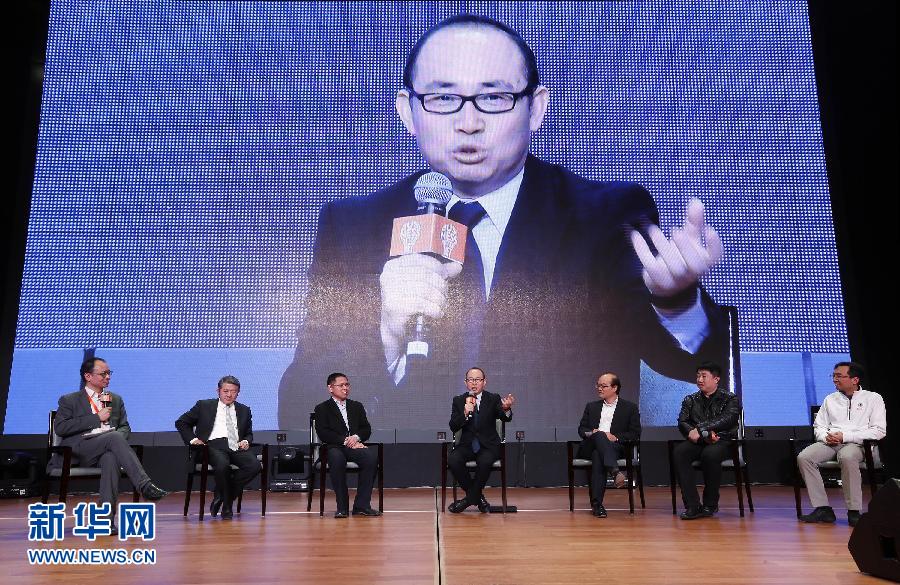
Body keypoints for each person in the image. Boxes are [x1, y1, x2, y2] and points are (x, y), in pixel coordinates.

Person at [278, 14, 728, 429]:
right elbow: (297, 407)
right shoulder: (353, 227)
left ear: (536, 108)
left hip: (550, 472)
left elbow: (696, 369)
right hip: (406, 475)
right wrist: (385, 337)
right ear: (408, 111)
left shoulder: (605, 216)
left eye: (493, 97)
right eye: (443, 98)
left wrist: (676, 302)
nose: (468, 122)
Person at [49, 357, 168, 513]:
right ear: (88, 376)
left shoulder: (115, 399)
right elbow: (61, 428)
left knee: (110, 458)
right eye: (103, 374)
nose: (108, 377)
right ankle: (144, 485)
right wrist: (96, 418)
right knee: (114, 437)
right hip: (78, 450)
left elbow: (124, 427)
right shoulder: (69, 400)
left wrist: (116, 441)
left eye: (109, 373)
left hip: (106, 449)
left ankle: (105, 519)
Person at [797, 362, 887, 527]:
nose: (835, 379)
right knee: (804, 457)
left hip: (858, 443)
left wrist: (846, 436)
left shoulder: (873, 398)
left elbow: (879, 431)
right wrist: (826, 437)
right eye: (833, 376)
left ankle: (853, 510)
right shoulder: (830, 399)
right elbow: (819, 426)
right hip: (832, 441)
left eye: (839, 376)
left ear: (855, 380)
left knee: (847, 456)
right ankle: (823, 508)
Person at [175, 375, 260, 520]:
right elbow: (181, 422)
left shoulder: (244, 410)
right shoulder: (204, 405)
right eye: (226, 391)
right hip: (210, 446)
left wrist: (246, 440)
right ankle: (227, 506)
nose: (229, 395)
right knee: (222, 464)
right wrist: (193, 440)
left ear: (238, 393)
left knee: (254, 466)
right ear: (218, 391)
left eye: (233, 391)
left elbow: (248, 433)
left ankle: (222, 495)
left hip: (235, 446)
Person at [672, 361, 740, 520]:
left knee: (710, 454)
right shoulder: (690, 399)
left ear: (716, 379)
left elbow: (728, 419)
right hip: (699, 442)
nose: (699, 380)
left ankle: (710, 503)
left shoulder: (729, 398)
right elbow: (683, 422)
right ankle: (692, 505)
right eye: (698, 376)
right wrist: (698, 433)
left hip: (723, 441)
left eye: (704, 376)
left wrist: (701, 429)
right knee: (680, 452)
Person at [447, 367, 515, 513]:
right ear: (466, 382)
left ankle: (468, 500)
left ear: (484, 382)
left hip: (488, 445)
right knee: (453, 459)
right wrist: (465, 413)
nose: (474, 383)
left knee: (485, 461)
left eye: (478, 380)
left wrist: (506, 409)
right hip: (467, 445)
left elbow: (505, 418)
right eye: (471, 380)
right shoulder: (458, 400)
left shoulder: (493, 398)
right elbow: (453, 426)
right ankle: (478, 498)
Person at [313, 373, 382, 518]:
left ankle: (362, 506)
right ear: (330, 388)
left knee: (370, 457)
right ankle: (342, 507)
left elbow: (366, 429)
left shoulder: (356, 406)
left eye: (347, 385)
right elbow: (324, 433)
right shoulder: (322, 408)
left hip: (354, 446)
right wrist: (346, 441)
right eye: (341, 385)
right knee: (336, 458)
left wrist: (356, 437)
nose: (345, 388)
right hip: (334, 447)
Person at [576, 372, 641, 518]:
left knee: (598, 455)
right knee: (599, 435)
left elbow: (635, 433)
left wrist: (615, 437)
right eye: (598, 385)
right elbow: (581, 429)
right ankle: (615, 472)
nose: (599, 388)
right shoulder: (591, 407)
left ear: (615, 388)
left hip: (614, 448)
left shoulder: (629, 408)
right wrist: (592, 432)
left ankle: (597, 505)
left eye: (603, 386)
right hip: (590, 446)